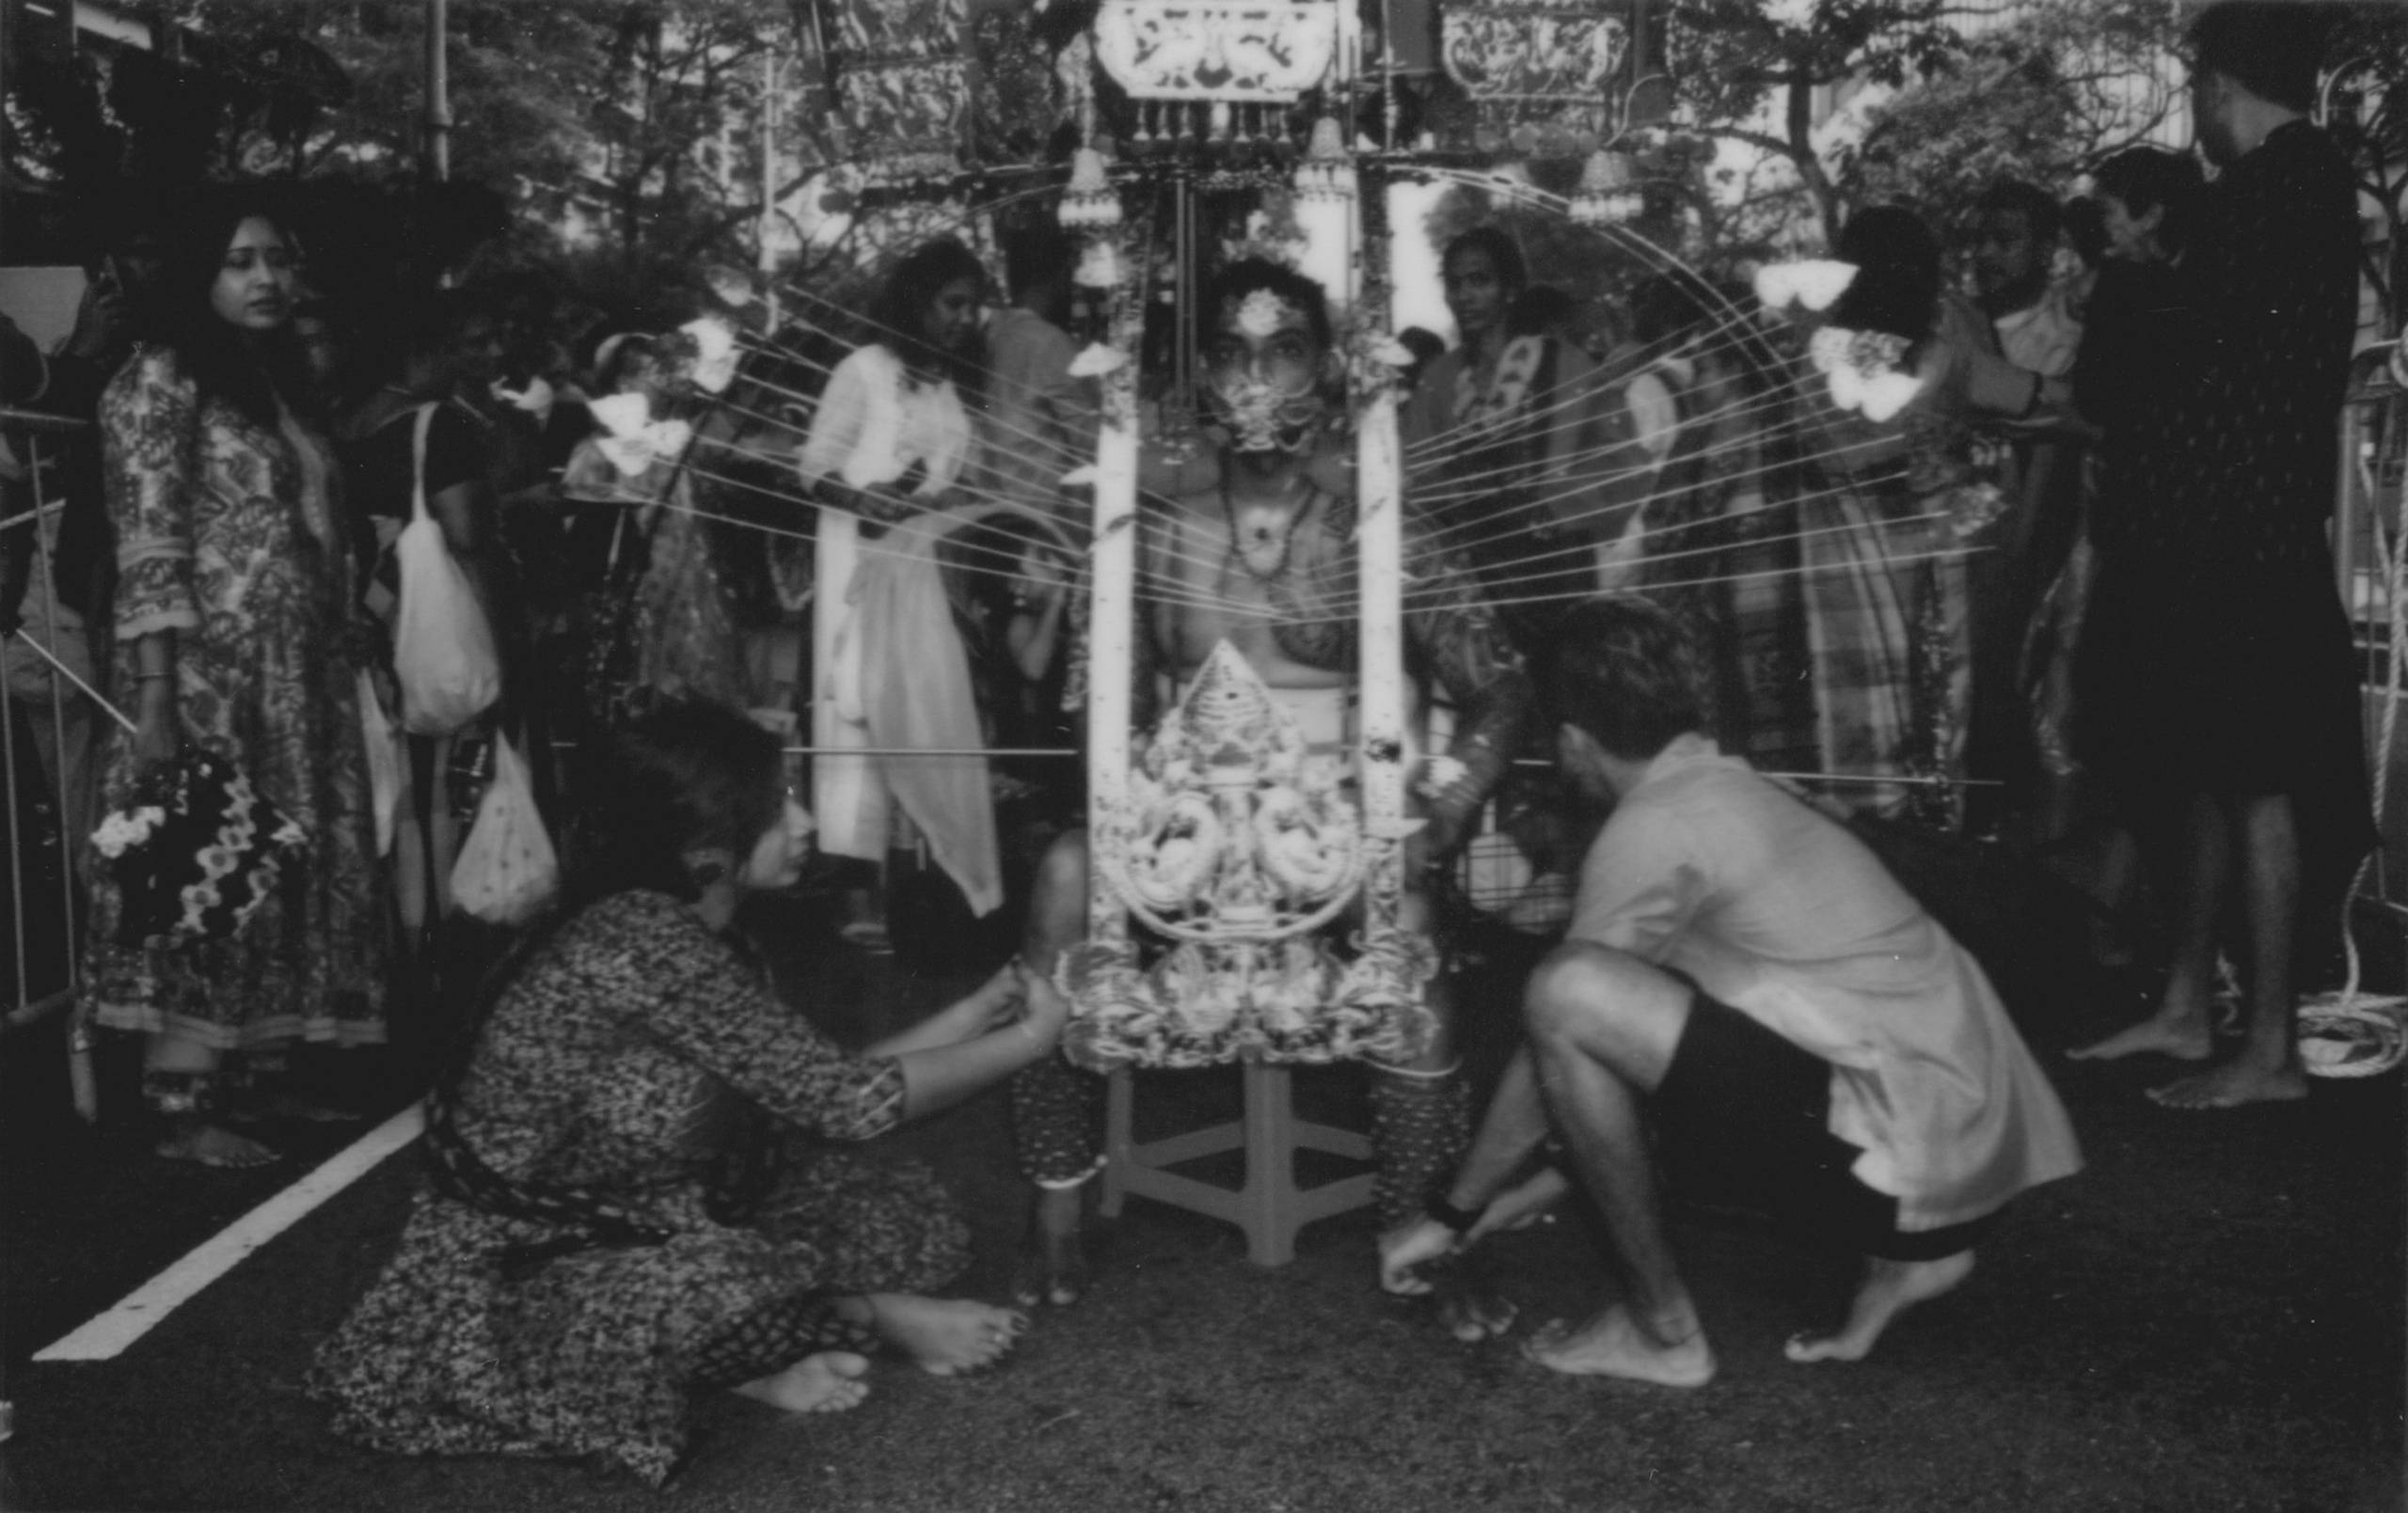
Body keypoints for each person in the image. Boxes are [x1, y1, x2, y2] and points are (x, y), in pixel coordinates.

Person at [310, 701, 1056, 1487]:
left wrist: (980, 1012)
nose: (803, 825)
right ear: (707, 846)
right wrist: (1032, 1040)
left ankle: (759, 1349)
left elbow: (814, 1086)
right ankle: (866, 1317)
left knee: (897, 1217)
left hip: (651, 1212)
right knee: (721, 1290)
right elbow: (849, 1102)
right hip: (522, 1262)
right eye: (778, 810)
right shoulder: (642, 939)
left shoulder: (691, 924)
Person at [1009, 260, 1534, 1321]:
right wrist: (1136, 807)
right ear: (1200, 375)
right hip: (1178, 832)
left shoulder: (1377, 527)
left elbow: (1502, 681)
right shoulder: (1145, 528)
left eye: (1286, 350)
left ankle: (1415, 1228)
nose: (1258, 379)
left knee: (1412, 922)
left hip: (1334, 831)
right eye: (1235, 354)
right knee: (1063, 880)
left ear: (1331, 372)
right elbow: (1096, 711)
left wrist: (1439, 809)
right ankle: (1055, 1217)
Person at [1379, 598, 2083, 1382]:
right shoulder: (1740, 785)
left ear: (1574, 743)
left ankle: (1664, 1333)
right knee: (1627, 1006)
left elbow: (1563, 1039)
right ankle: (1911, 1261)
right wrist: (1500, 1208)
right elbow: (1634, 1070)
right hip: (1966, 1149)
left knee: (1569, 991)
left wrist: (1450, 1212)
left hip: (1905, 1156)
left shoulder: (1653, 826)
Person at [2069, 1, 2369, 1108]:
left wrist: (2139, 273)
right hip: (2207, 529)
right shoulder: (2283, 188)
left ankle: (2271, 1051)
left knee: (2252, 779)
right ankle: (2193, 1004)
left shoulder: (2287, 179)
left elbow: (2179, 330)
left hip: (2242, 531)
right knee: (2203, 764)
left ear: (2215, 81)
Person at [87, 188, 388, 1165]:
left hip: (296, 684)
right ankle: (179, 1107)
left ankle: (262, 1076)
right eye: (240, 262)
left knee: (282, 875)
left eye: (278, 259)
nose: (268, 279)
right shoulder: (158, 383)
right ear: (196, 277)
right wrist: (158, 696)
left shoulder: (272, 387)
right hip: (210, 682)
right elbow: (150, 541)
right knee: (201, 870)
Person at [798, 238, 990, 945]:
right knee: (858, 709)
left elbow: (955, 473)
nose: (965, 318)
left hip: (920, 566)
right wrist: (865, 498)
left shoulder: (948, 383)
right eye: (953, 303)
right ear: (918, 301)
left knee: (915, 711)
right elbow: (814, 464)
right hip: (859, 557)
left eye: (973, 306)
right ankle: (857, 891)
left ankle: (913, 888)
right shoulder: (864, 370)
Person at [1401, 227, 1630, 652]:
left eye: (1480, 280)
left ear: (1510, 289)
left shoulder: (1566, 367)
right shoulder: (1439, 380)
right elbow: (1410, 474)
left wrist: (1553, 508)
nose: (1464, 296)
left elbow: (1623, 463)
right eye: (1454, 283)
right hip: (1470, 578)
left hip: (1555, 571)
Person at [983, 221, 1097, 532]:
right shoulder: (1050, 342)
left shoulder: (993, 330)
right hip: (1039, 525)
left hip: (991, 513)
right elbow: (1094, 443)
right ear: (1062, 276)